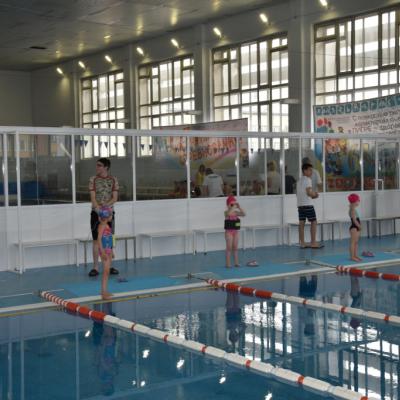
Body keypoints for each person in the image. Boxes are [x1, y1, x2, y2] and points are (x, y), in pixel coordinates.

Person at [88, 158, 119, 277]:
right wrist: (99, 211)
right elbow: (93, 198)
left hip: (109, 213)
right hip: (96, 213)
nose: (97, 167)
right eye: (97, 165)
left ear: (106, 167)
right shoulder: (93, 179)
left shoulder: (113, 179)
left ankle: (109, 266)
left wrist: (106, 208)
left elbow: (115, 198)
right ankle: (95, 267)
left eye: (99, 165)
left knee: (109, 239)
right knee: (96, 240)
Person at [297, 163, 320, 248]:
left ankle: (302, 243)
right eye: (310, 170)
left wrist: (312, 195)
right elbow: (309, 192)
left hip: (300, 205)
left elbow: (300, 194)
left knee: (301, 223)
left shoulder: (299, 181)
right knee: (314, 222)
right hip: (308, 205)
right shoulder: (308, 180)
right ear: (305, 171)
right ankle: (313, 242)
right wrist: (315, 195)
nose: (311, 172)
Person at [224, 195, 245, 268]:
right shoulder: (226, 212)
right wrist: (233, 207)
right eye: (231, 204)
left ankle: (236, 263)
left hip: (235, 232)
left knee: (235, 248)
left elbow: (244, 214)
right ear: (228, 205)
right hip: (228, 232)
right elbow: (229, 214)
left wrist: (239, 207)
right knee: (229, 248)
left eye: (234, 204)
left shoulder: (236, 212)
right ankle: (228, 264)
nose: (233, 205)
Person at [98, 206, 114, 299]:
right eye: (111, 215)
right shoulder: (102, 226)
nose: (112, 216)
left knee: (107, 272)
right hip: (104, 251)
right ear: (108, 216)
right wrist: (102, 252)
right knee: (106, 271)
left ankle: (105, 290)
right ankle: (103, 292)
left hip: (108, 250)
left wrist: (112, 251)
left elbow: (109, 239)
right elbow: (99, 239)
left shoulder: (107, 226)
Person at [348, 193, 362, 262]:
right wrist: (359, 226)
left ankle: (355, 255)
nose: (358, 202)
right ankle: (352, 257)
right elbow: (354, 220)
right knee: (353, 242)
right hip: (354, 227)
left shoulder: (353, 209)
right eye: (358, 201)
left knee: (356, 242)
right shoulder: (352, 210)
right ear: (354, 201)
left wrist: (359, 227)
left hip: (356, 227)